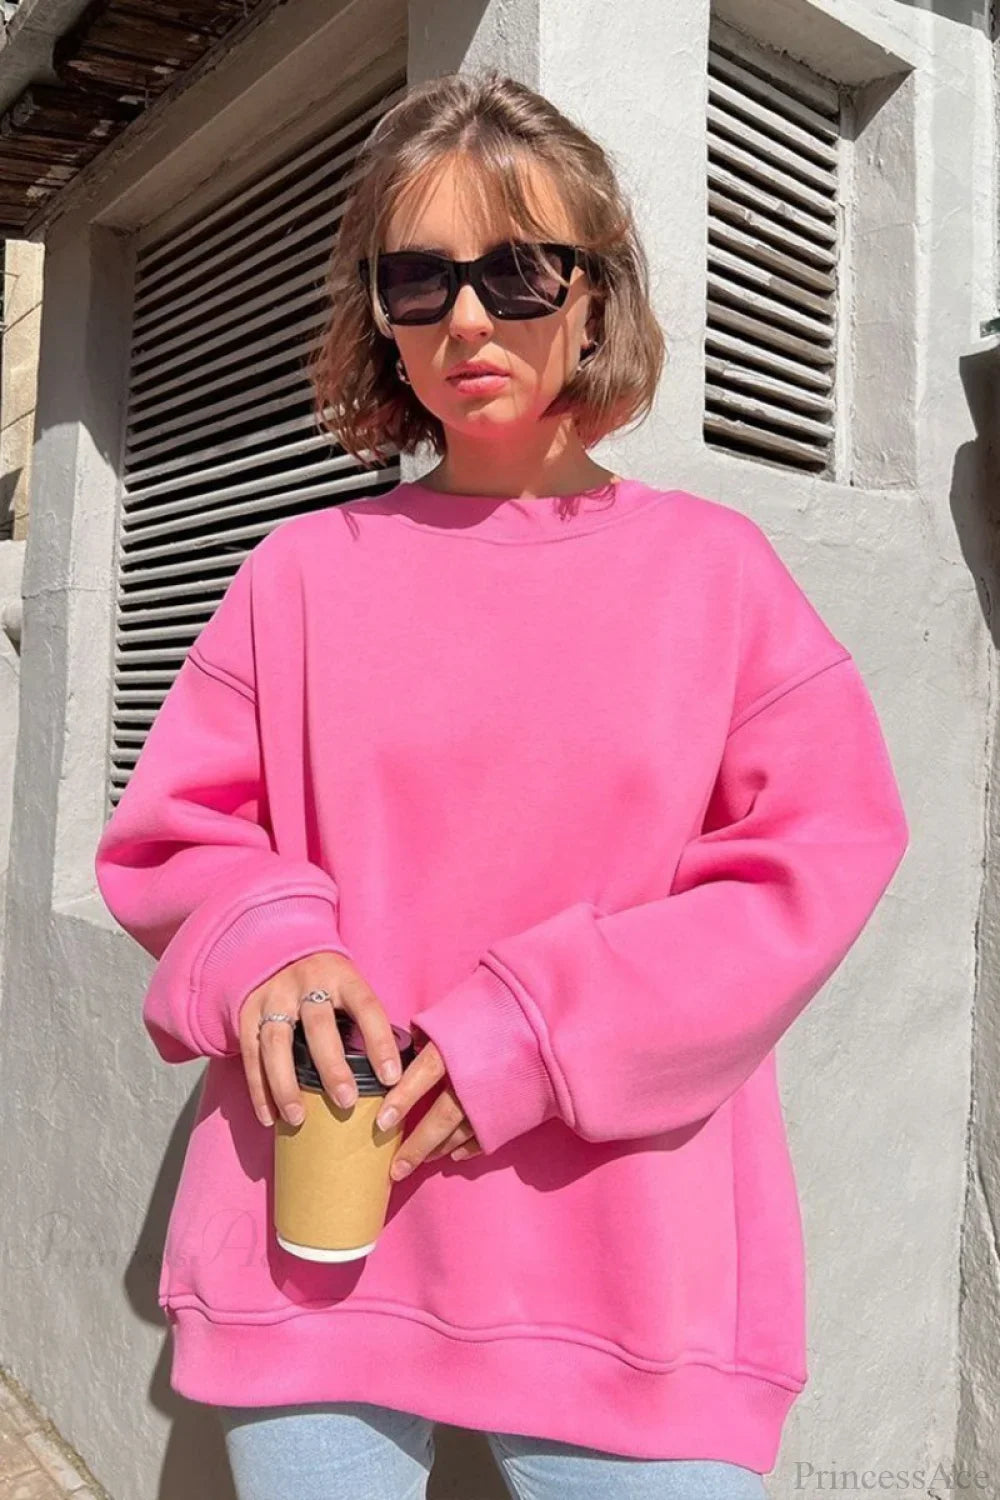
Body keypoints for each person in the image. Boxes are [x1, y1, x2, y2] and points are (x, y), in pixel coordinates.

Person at [94, 69, 910, 1500]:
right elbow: (179, 837)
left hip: (628, 1264)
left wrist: (531, 1033)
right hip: (321, 1229)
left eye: (520, 270)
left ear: (594, 296)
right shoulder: (301, 576)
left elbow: (813, 859)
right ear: (381, 314)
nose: (469, 319)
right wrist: (270, 950)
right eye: (420, 279)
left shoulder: (713, 578)